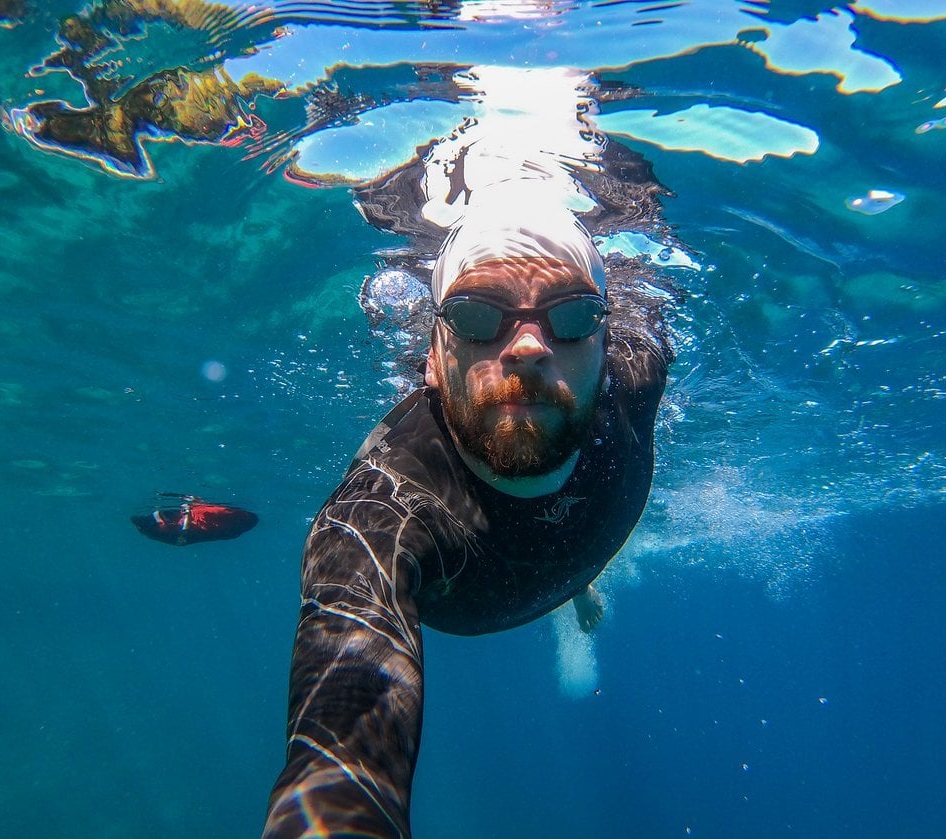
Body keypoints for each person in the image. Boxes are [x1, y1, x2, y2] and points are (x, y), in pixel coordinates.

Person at [262, 194, 674, 836]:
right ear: (431, 355)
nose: (530, 345)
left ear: (605, 343)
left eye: (572, 316)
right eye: (479, 316)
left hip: (576, 551)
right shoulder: (383, 517)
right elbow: (337, 765)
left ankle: (581, 587)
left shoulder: (639, 373)